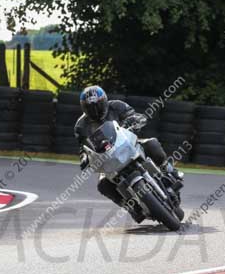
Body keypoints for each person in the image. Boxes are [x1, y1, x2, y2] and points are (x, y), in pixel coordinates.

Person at [74, 85, 183, 222]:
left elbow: (133, 115)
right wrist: (84, 158)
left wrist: (134, 120)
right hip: (107, 158)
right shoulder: (81, 126)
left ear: (104, 101)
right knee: (103, 185)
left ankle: (170, 171)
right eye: (90, 107)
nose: (95, 110)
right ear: (84, 107)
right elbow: (83, 147)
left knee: (151, 143)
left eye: (98, 105)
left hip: (129, 144)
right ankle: (130, 207)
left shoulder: (116, 106)